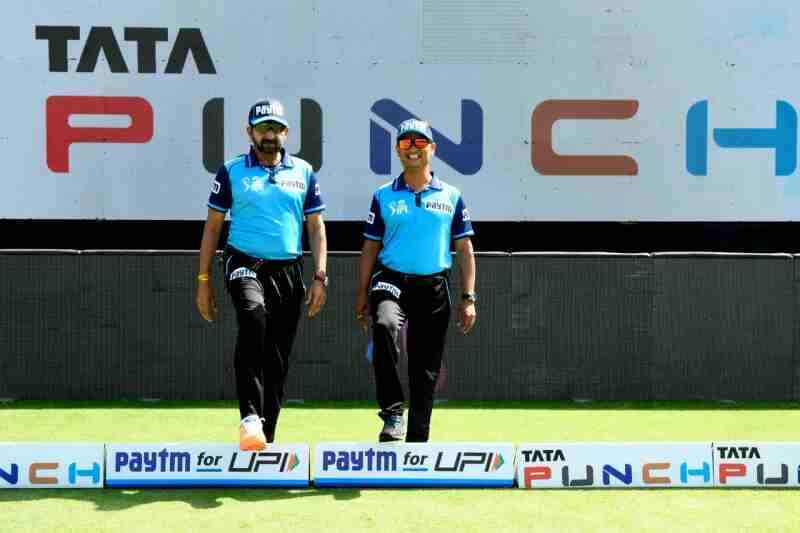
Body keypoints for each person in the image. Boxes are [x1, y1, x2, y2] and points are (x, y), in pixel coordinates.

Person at [196, 98, 328, 451]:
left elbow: (316, 227)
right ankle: (249, 418)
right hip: (244, 262)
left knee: (278, 356)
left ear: (286, 132)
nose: (269, 135)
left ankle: (265, 436)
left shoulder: (303, 172)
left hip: (288, 269)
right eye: (262, 128)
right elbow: (212, 228)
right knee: (253, 316)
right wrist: (203, 281)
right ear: (249, 132)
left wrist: (320, 276)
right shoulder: (231, 171)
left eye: (275, 128)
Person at [355, 118, 477, 443]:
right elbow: (370, 247)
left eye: (420, 142)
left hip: (433, 286)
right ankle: (392, 413)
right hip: (391, 279)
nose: (412, 148)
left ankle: (418, 442)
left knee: (425, 368)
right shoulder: (383, 195)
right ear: (397, 150)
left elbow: (465, 249)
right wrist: (361, 293)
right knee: (384, 326)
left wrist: (468, 298)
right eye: (405, 142)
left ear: (432, 149)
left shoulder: (452, 195)